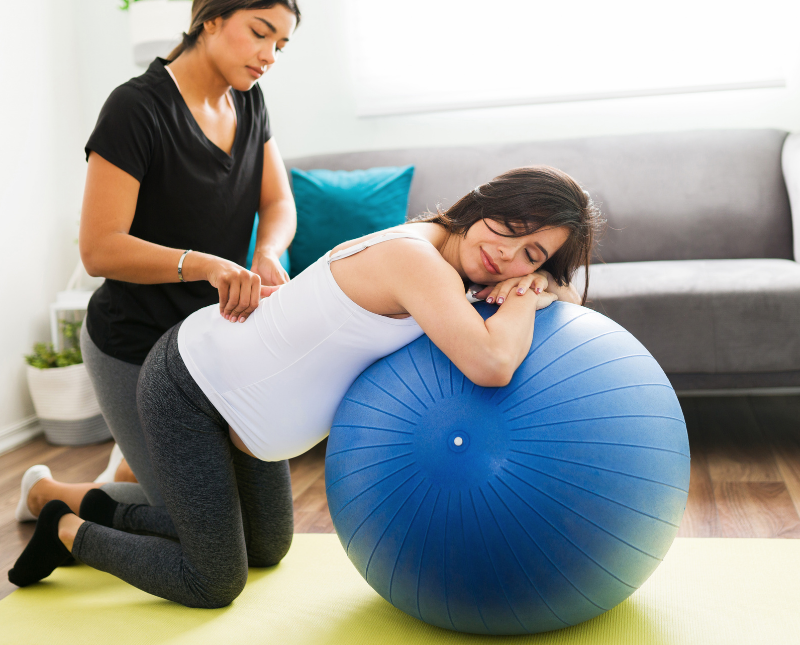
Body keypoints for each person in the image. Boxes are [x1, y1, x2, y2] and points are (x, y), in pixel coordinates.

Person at [8, 167, 603, 609]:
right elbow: (492, 365)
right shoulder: (415, 260)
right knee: (213, 580)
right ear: (481, 204)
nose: (506, 255)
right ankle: (67, 531)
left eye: (531, 253)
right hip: (193, 387)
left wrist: (543, 283)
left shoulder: (455, 263)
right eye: (508, 229)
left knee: (265, 548)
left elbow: (570, 298)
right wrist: (528, 294)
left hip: (250, 417)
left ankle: (73, 498)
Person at [15, 0, 301, 525]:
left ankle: (132, 471)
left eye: (282, 45)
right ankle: (49, 496)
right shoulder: (136, 108)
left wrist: (266, 252)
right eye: (260, 33)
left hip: (209, 339)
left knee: (250, 524)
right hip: (135, 341)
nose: (269, 55)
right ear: (211, 20)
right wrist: (206, 266)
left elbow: (278, 202)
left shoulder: (249, 101)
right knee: (199, 524)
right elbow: (98, 249)